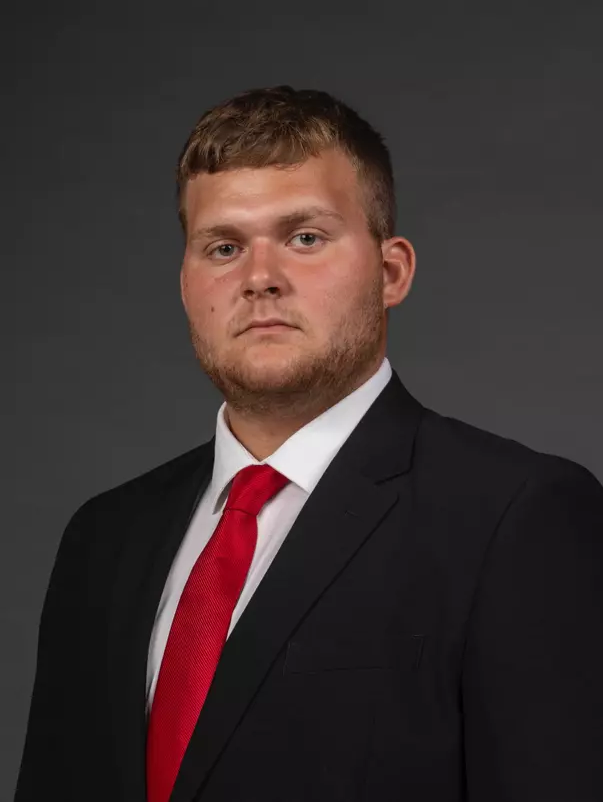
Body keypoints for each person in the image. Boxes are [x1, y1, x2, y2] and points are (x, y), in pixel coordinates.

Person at [14, 84, 603, 802]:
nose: (260, 278)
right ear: (184, 284)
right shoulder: (101, 539)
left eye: (304, 237)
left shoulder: (518, 516)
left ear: (390, 272)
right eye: (223, 246)